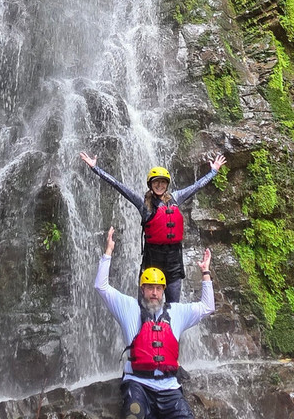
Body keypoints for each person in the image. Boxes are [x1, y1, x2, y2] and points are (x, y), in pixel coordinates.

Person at [94, 226, 214, 419]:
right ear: (143, 289)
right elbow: (101, 286)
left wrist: (205, 272)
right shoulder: (128, 307)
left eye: (158, 288)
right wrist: (108, 251)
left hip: (169, 388)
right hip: (137, 384)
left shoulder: (177, 312)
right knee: (134, 415)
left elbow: (207, 307)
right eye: (150, 288)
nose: (154, 293)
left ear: (164, 290)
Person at [80, 151, 226, 303]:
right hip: (152, 262)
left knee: (173, 308)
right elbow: (119, 186)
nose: (159, 185)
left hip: (174, 265)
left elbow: (196, 187)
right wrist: (95, 168)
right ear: (150, 185)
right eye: (156, 182)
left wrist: (213, 171)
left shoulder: (176, 198)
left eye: (163, 182)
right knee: (145, 308)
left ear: (167, 184)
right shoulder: (144, 205)